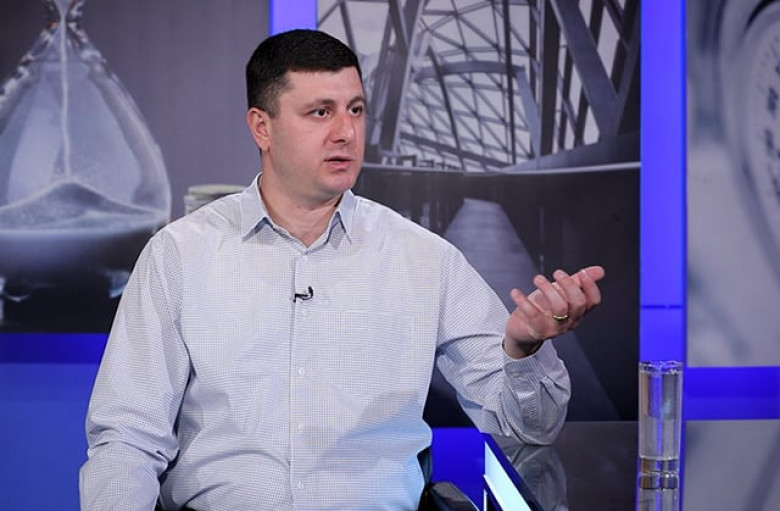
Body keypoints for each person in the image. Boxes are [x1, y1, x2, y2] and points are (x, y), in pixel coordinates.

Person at [79, 29, 604, 510]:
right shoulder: (179, 254)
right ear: (262, 127)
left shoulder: (423, 258)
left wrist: (523, 351)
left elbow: (529, 429)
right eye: (320, 112)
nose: (346, 132)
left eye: (355, 109)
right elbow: (126, 439)